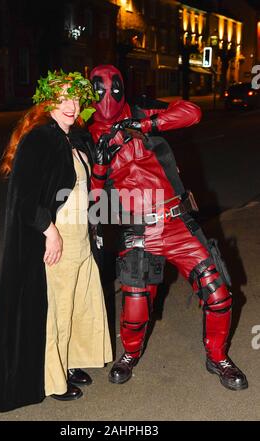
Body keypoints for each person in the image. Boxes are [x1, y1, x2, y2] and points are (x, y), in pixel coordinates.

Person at [88, 64, 248, 391]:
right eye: (100, 89)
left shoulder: (140, 108)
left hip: (177, 224)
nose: (108, 96)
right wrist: (101, 163)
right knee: (134, 309)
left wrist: (147, 122)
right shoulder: (87, 132)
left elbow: (191, 112)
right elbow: (92, 195)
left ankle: (217, 357)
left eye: (115, 88)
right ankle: (130, 354)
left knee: (219, 295)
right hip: (138, 231)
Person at [0, 69, 112, 412]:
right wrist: (50, 231)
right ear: (49, 102)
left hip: (81, 239)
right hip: (58, 240)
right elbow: (25, 195)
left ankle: (69, 362)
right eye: (63, 99)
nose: (71, 105)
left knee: (77, 305)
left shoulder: (75, 137)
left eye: (76, 98)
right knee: (55, 312)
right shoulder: (41, 138)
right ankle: (53, 378)